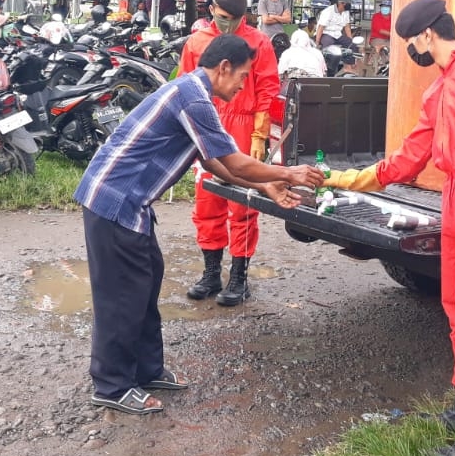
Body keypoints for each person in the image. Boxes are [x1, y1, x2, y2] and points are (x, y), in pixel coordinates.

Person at [75, 34, 323, 415]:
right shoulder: (193, 97)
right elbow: (235, 162)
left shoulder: (192, 94)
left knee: (145, 283)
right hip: (114, 203)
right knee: (123, 297)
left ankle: (146, 370)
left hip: (131, 206)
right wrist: (287, 172)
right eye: (241, 75)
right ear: (223, 68)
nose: (243, 84)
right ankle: (112, 386)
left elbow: (215, 164)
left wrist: (268, 184)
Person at [322, 0, 455, 447]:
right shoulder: (440, 88)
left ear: (426, 35)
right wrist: (351, 178)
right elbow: (411, 156)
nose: (410, 51)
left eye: (408, 42)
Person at [178, 0, 280, 307]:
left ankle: (239, 277)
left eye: (236, 18)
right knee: (207, 201)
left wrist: (259, 137)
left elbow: (267, 89)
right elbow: (185, 86)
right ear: (211, 10)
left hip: (244, 124)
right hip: (209, 121)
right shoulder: (196, 43)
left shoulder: (259, 42)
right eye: (224, 17)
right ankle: (211, 274)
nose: (230, 24)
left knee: (243, 205)